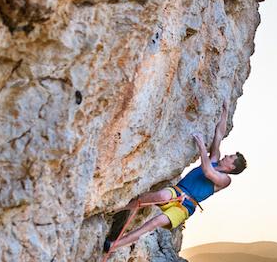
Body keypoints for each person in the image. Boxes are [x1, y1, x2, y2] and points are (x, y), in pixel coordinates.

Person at [104, 103, 246, 252]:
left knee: (157, 221)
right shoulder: (214, 159)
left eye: (230, 157)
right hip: (178, 191)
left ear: (232, 167)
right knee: (161, 195)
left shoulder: (225, 180)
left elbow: (208, 173)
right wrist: (225, 112)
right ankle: (121, 207)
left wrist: (202, 148)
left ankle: (116, 244)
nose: (227, 156)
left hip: (186, 206)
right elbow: (219, 134)